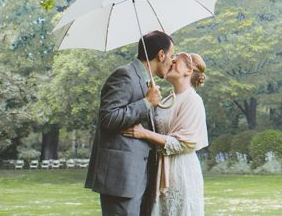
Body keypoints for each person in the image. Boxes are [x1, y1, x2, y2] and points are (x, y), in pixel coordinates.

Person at [86, 30, 175, 216]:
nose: (172, 61)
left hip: (140, 176)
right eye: (171, 56)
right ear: (161, 55)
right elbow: (108, 118)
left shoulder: (145, 82)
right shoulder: (124, 75)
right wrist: (146, 103)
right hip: (121, 179)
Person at [125, 52, 209, 216]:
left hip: (181, 170)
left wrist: (143, 134)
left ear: (188, 70)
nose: (170, 63)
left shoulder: (193, 100)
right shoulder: (167, 100)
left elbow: (183, 143)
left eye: (176, 62)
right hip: (160, 170)